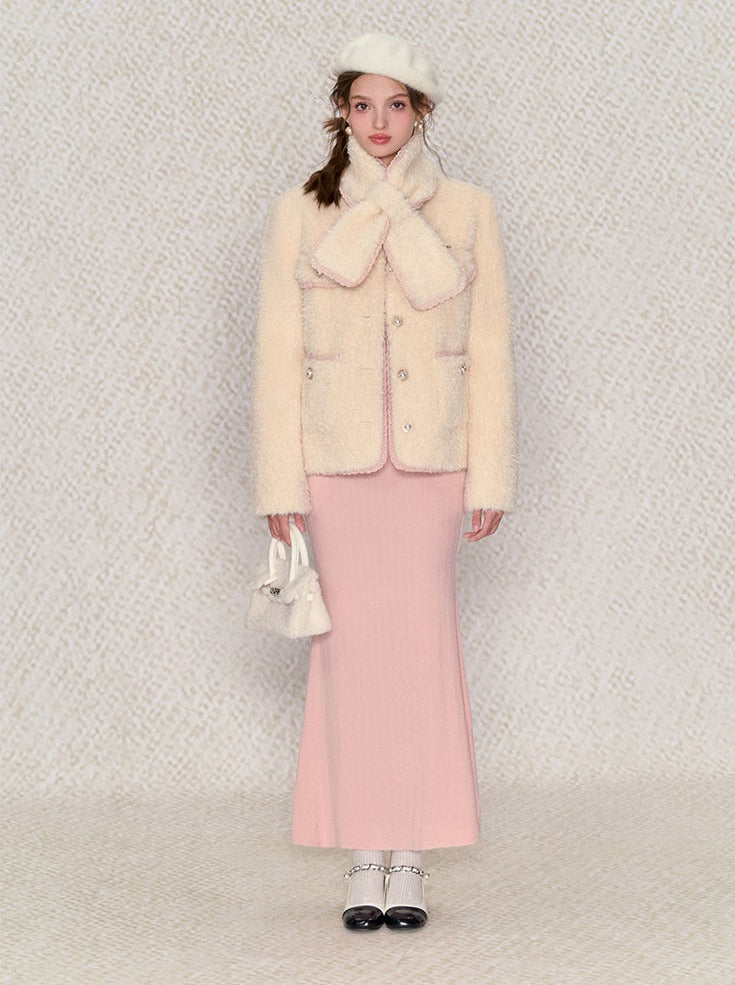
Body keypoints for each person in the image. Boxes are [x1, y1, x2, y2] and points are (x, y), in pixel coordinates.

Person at [251, 31, 517, 932]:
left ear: (420, 113)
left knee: (422, 656)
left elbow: (488, 347)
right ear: (340, 112)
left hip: (433, 466)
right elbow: (277, 353)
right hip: (334, 466)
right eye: (362, 105)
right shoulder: (301, 210)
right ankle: (363, 856)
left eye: (394, 105)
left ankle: (412, 860)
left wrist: (491, 472)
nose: (378, 122)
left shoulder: (469, 208)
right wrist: (277, 485)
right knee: (349, 660)